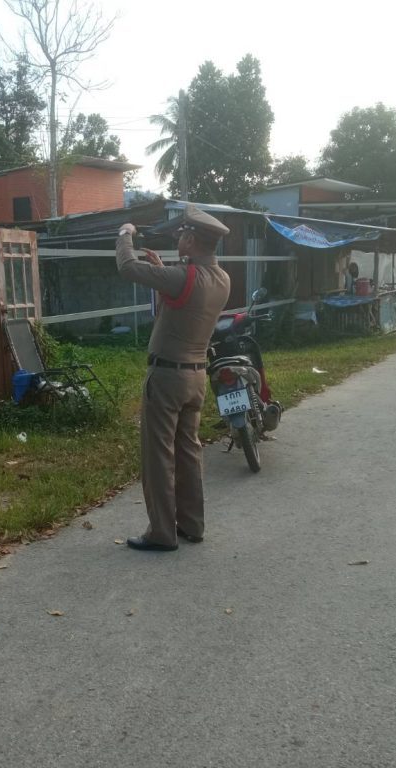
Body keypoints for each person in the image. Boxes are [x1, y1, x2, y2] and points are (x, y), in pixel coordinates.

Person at [116, 205, 231, 552]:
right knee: (188, 452)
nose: (179, 238)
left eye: (182, 234)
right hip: (195, 378)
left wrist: (125, 233)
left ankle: (162, 533)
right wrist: (163, 272)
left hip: (167, 378)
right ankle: (192, 525)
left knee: (159, 457)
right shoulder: (221, 278)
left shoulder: (182, 276)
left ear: (191, 240)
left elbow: (127, 266)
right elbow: (184, 302)